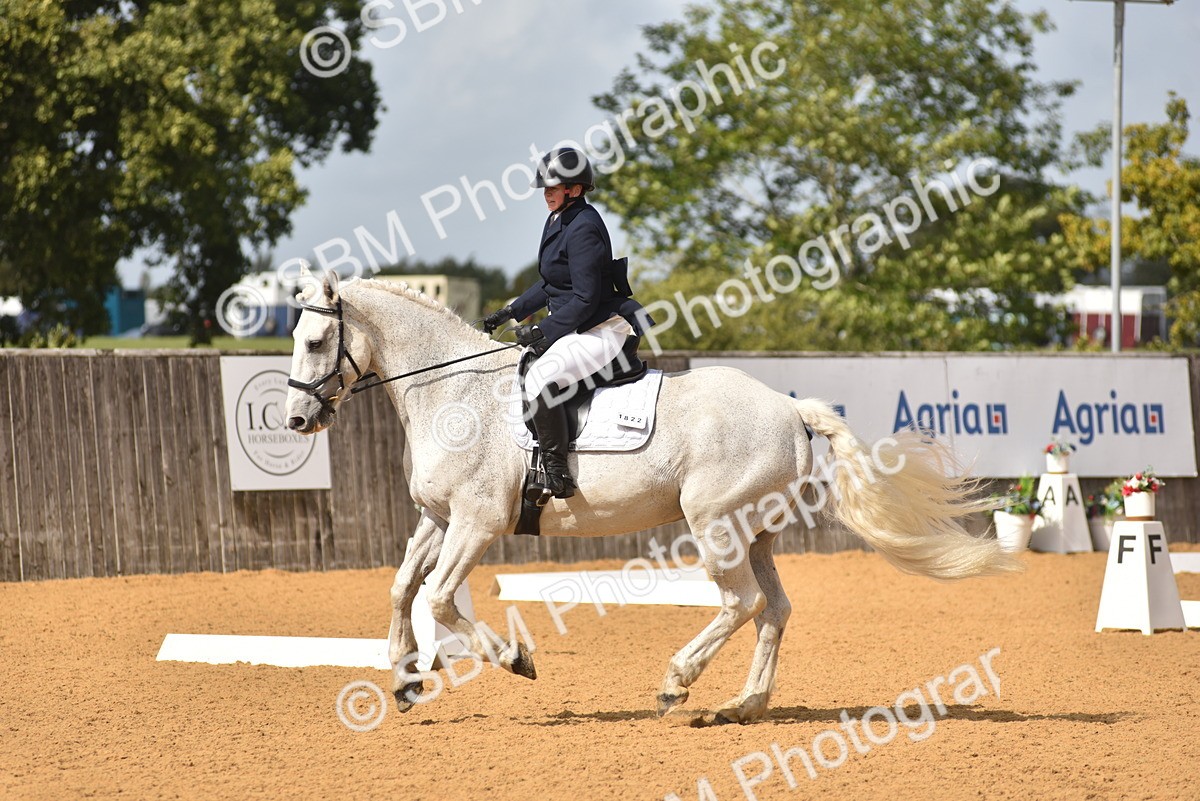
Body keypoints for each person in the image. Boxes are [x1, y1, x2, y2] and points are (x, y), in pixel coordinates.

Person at [483, 147, 649, 502]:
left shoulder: (584, 227)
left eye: (553, 188)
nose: (546, 194)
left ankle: (557, 473)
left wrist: (542, 330)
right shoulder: (559, 219)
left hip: (601, 327)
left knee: (542, 377)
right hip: (577, 323)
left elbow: (586, 299)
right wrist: (508, 312)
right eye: (545, 188)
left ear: (574, 189)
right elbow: (551, 283)